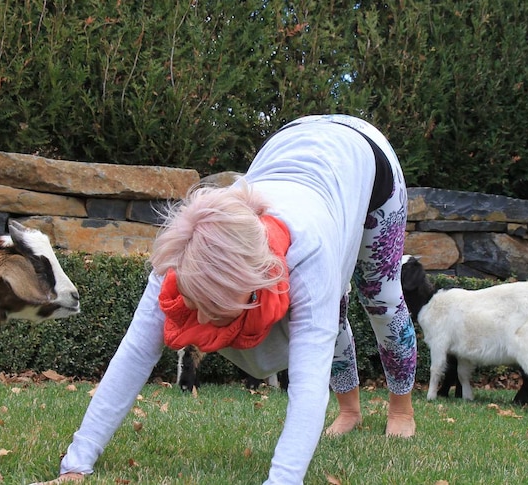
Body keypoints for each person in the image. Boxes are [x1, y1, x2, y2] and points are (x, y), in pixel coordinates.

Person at [31, 114, 417, 485]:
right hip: (291, 141)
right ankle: (350, 410)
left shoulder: (309, 253)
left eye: (211, 310)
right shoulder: (183, 255)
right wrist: (76, 464)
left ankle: (400, 408)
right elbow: (134, 354)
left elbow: (307, 381)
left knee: (378, 295)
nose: (198, 319)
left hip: (364, 158)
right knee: (330, 312)